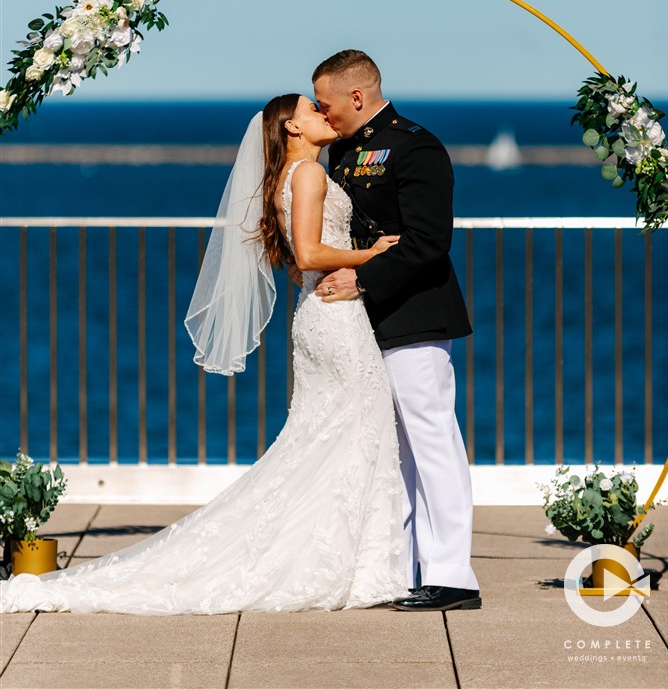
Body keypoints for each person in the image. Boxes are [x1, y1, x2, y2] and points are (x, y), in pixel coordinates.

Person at [0, 95, 407, 614]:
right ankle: (356, 565)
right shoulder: (306, 175)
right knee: (354, 428)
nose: (326, 116)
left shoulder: (291, 176)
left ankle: (354, 562)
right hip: (335, 320)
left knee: (330, 437)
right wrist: (371, 256)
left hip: (318, 315)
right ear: (291, 126)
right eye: (314, 110)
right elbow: (307, 254)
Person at [312, 50, 481, 612]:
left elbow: (430, 242)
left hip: (414, 313)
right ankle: (406, 567)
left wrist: (360, 282)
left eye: (327, 103)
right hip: (362, 322)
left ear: (356, 97)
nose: (322, 112)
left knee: (431, 439)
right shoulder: (341, 150)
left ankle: (453, 574)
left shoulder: (416, 146)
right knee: (394, 450)